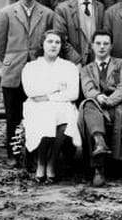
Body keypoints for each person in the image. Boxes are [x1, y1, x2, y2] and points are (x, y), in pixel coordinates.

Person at [0, 0, 54, 166]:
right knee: (13, 114)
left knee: (36, 112)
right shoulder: (7, 13)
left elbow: (50, 41)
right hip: (14, 72)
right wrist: (10, 61)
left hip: (37, 72)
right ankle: (13, 153)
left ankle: (32, 153)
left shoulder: (47, 14)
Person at [21, 30, 81, 183]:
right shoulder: (31, 66)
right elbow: (31, 92)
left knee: (65, 117)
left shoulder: (69, 67)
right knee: (46, 115)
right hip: (37, 106)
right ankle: (41, 161)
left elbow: (73, 93)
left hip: (61, 105)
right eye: (50, 41)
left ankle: (52, 161)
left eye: (57, 42)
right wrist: (57, 87)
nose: (54, 45)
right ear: (42, 44)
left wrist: (48, 96)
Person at [78, 30, 122, 187]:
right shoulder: (86, 69)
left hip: (119, 103)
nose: (102, 47)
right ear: (92, 46)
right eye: (98, 43)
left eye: (105, 43)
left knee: (107, 113)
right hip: (97, 103)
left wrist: (109, 101)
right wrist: (98, 96)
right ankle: (98, 147)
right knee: (88, 105)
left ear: (111, 46)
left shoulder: (121, 63)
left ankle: (110, 164)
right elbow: (88, 89)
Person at [53, 0, 105, 66]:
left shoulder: (100, 8)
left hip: (95, 61)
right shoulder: (63, 9)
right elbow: (61, 38)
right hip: (73, 63)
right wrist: (76, 60)